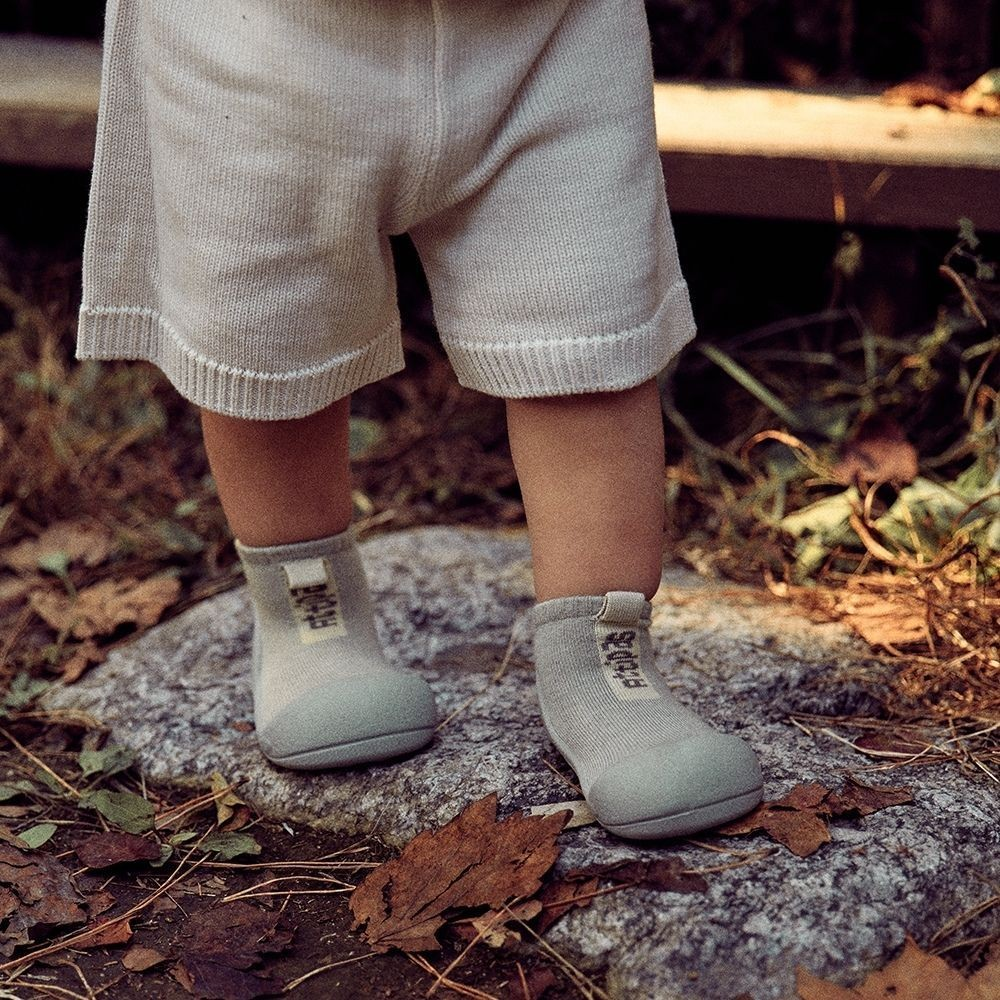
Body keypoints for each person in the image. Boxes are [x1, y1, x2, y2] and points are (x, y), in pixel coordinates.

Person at [76, 0, 764, 840]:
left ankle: (604, 661)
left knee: (586, 328)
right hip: (257, 38)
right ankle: (308, 613)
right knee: (267, 325)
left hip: (547, 36)